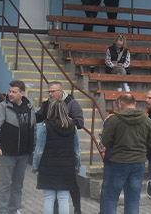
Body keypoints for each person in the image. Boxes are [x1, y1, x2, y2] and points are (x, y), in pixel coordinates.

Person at [99, 93, 151, 214]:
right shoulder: (146, 120)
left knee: (111, 198)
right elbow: (150, 141)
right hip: (138, 162)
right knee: (133, 199)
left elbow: (106, 141)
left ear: (121, 103)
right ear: (135, 103)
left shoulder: (114, 120)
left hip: (118, 161)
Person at [36, 81, 85, 214]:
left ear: (60, 91)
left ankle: (77, 209)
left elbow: (80, 123)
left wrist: (63, 122)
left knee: (65, 191)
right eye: (49, 92)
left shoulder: (72, 103)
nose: (50, 94)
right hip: (55, 155)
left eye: (52, 91)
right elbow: (38, 117)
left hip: (64, 153)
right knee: (59, 196)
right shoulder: (47, 104)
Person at [0, 80, 36, 214]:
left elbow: (33, 129)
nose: (10, 94)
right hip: (6, 153)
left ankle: (14, 209)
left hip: (23, 154)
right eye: (10, 91)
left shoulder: (29, 108)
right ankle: (2, 210)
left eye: (14, 92)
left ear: (22, 93)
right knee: (4, 184)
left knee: (18, 185)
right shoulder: (2, 107)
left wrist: (32, 148)